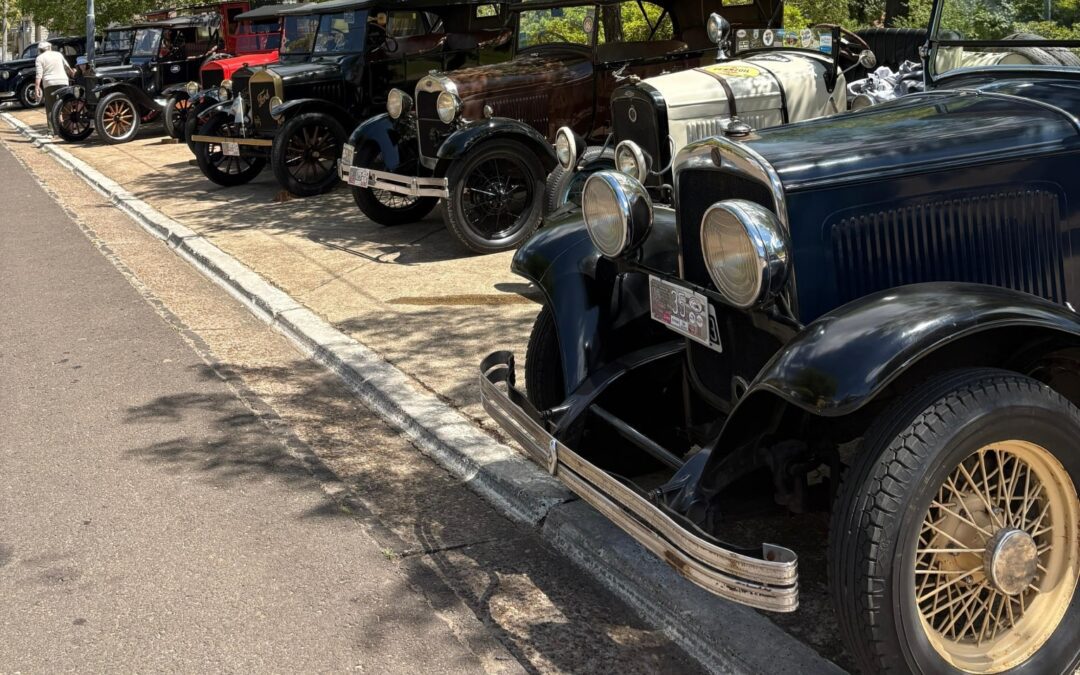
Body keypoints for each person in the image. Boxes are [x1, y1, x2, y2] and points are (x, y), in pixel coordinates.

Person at [34, 41, 75, 137]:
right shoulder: (58, 54)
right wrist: (72, 74)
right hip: (63, 81)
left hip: (49, 83)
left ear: (40, 50)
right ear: (50, 47)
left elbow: (39, 74)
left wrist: (37, 88)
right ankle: (68, 129)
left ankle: (51, 132)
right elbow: (67, 67)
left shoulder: (39, 58)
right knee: (65, 105)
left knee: (50, 107)